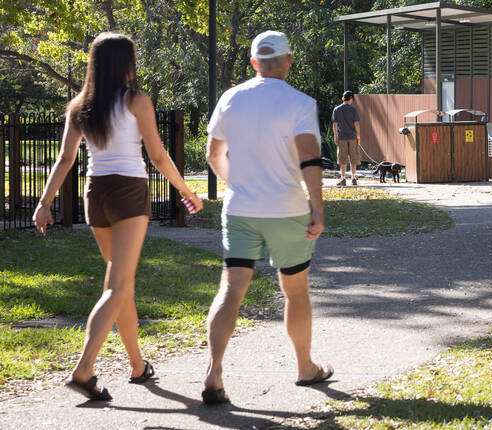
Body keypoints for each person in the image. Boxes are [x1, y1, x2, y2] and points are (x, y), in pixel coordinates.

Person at [32, 33, 204, 401]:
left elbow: (66, 159)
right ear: (125, 64)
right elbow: (158, 156)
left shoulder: (79, 107)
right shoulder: (136, 101)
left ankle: (138, 365)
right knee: (118, 286)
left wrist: (45, 202)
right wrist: (187, 192)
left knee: (120, 281)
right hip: (128, 193)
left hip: (96, 194)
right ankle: (84, 369)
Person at [202, 30, 329, 405]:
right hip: (286, 210)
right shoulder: (301, 102)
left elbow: (212, 153)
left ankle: (213, 373)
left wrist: (237, 182)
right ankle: (305, 368)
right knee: (295, 291)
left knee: (231, 289)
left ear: (254, 63)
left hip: (239, 209)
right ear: (289, 60)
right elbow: (309, 158)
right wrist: (317, 207)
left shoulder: (230, 97)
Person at [331, 90, 360, 187]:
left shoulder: (337, 109)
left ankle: (343, 179)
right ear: (351, 98)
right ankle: (353, 178)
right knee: (353, 158)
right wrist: (358, 135)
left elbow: (335, 124)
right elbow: (356, 124)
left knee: (342, 159)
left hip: (342, 137)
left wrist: (335, 136)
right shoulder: (353, 109)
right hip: (352, 137)